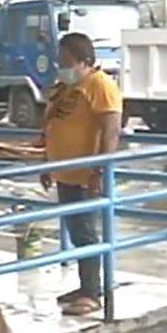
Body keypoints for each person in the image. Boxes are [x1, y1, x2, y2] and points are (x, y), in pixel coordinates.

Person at [40, 32, 123, 316]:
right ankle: (85, 285)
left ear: (85, 61)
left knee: (87, 233)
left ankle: (92, 292)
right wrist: (46, 162)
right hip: (64, 171)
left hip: (86, 174)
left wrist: (100, 169)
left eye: (66, 61)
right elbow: (51, 123)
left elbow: (111, 129)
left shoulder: (100, 84)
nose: (61, 66)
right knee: (76, 233)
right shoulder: (63, 86)